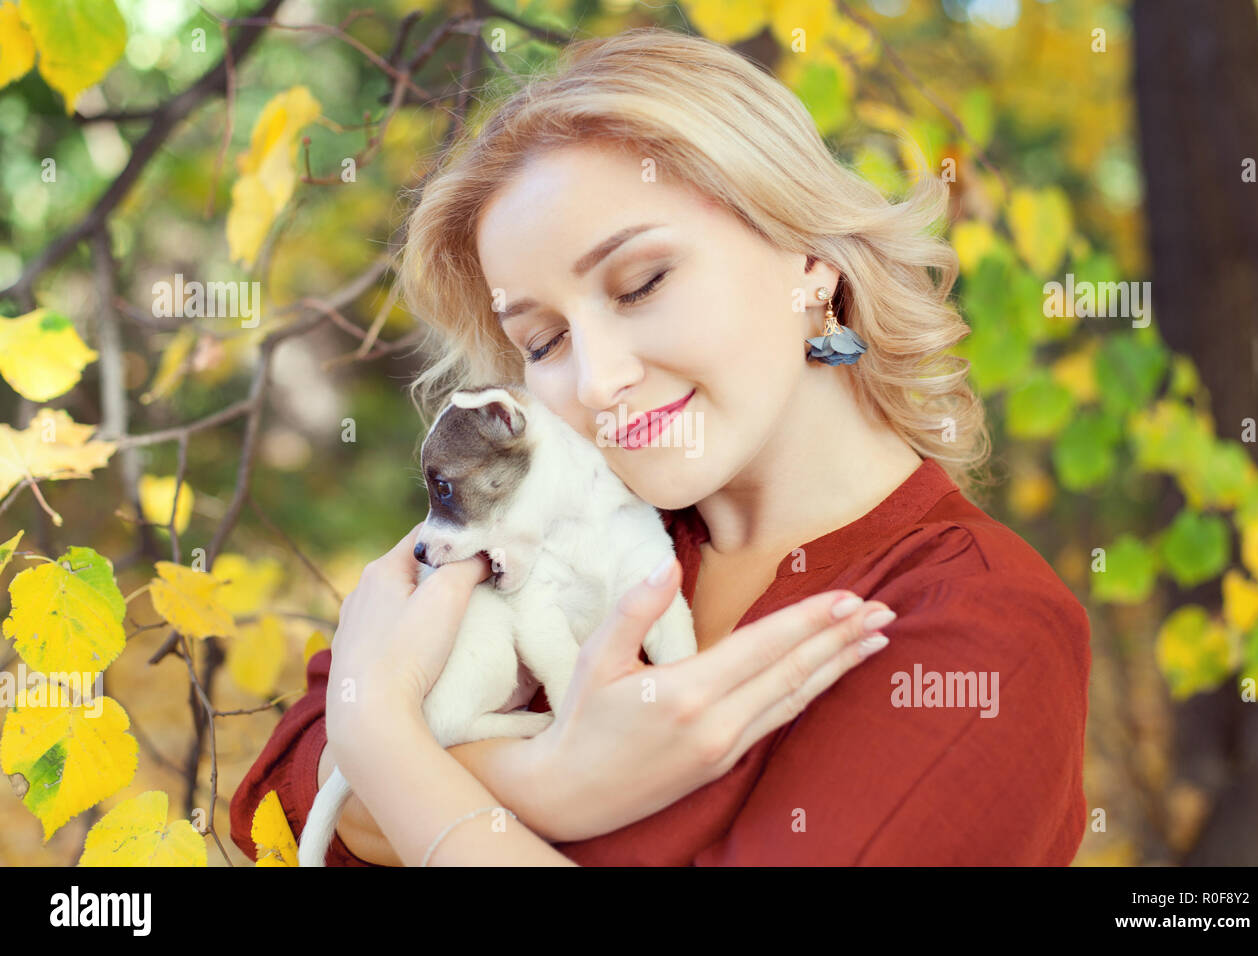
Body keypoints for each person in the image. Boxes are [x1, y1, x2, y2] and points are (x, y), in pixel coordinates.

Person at [230, 26, 1091, 866]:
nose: (598, 380)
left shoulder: (982, 627)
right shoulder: (584, 523)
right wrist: (547, 778)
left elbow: (355, 748)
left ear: (810, 261)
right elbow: (286, 787)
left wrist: (388, 745)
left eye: (640, 285)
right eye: (543, 342)